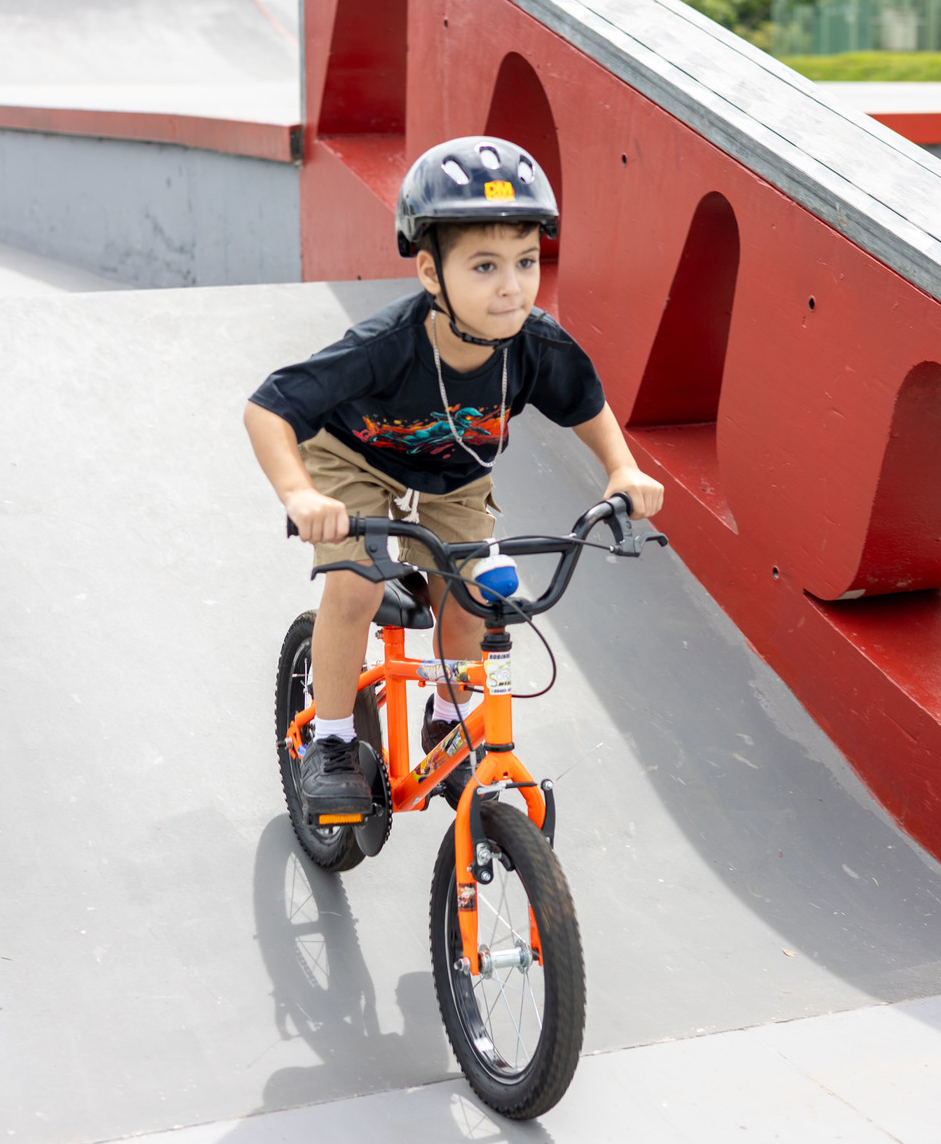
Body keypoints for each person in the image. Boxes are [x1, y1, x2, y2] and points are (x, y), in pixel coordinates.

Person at [244, 136, 665, 818]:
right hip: (352, 460)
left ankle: (445, 720)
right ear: (431, 273)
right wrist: (300, 494)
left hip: (454, 475)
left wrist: (622, 469)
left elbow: (586, 406)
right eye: (485, 266)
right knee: (354, 587)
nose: (512, 286)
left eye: (526, 261)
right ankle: (334, 741)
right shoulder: (387, 346)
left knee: (472, 598)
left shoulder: (535, 344)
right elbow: (268, 407)